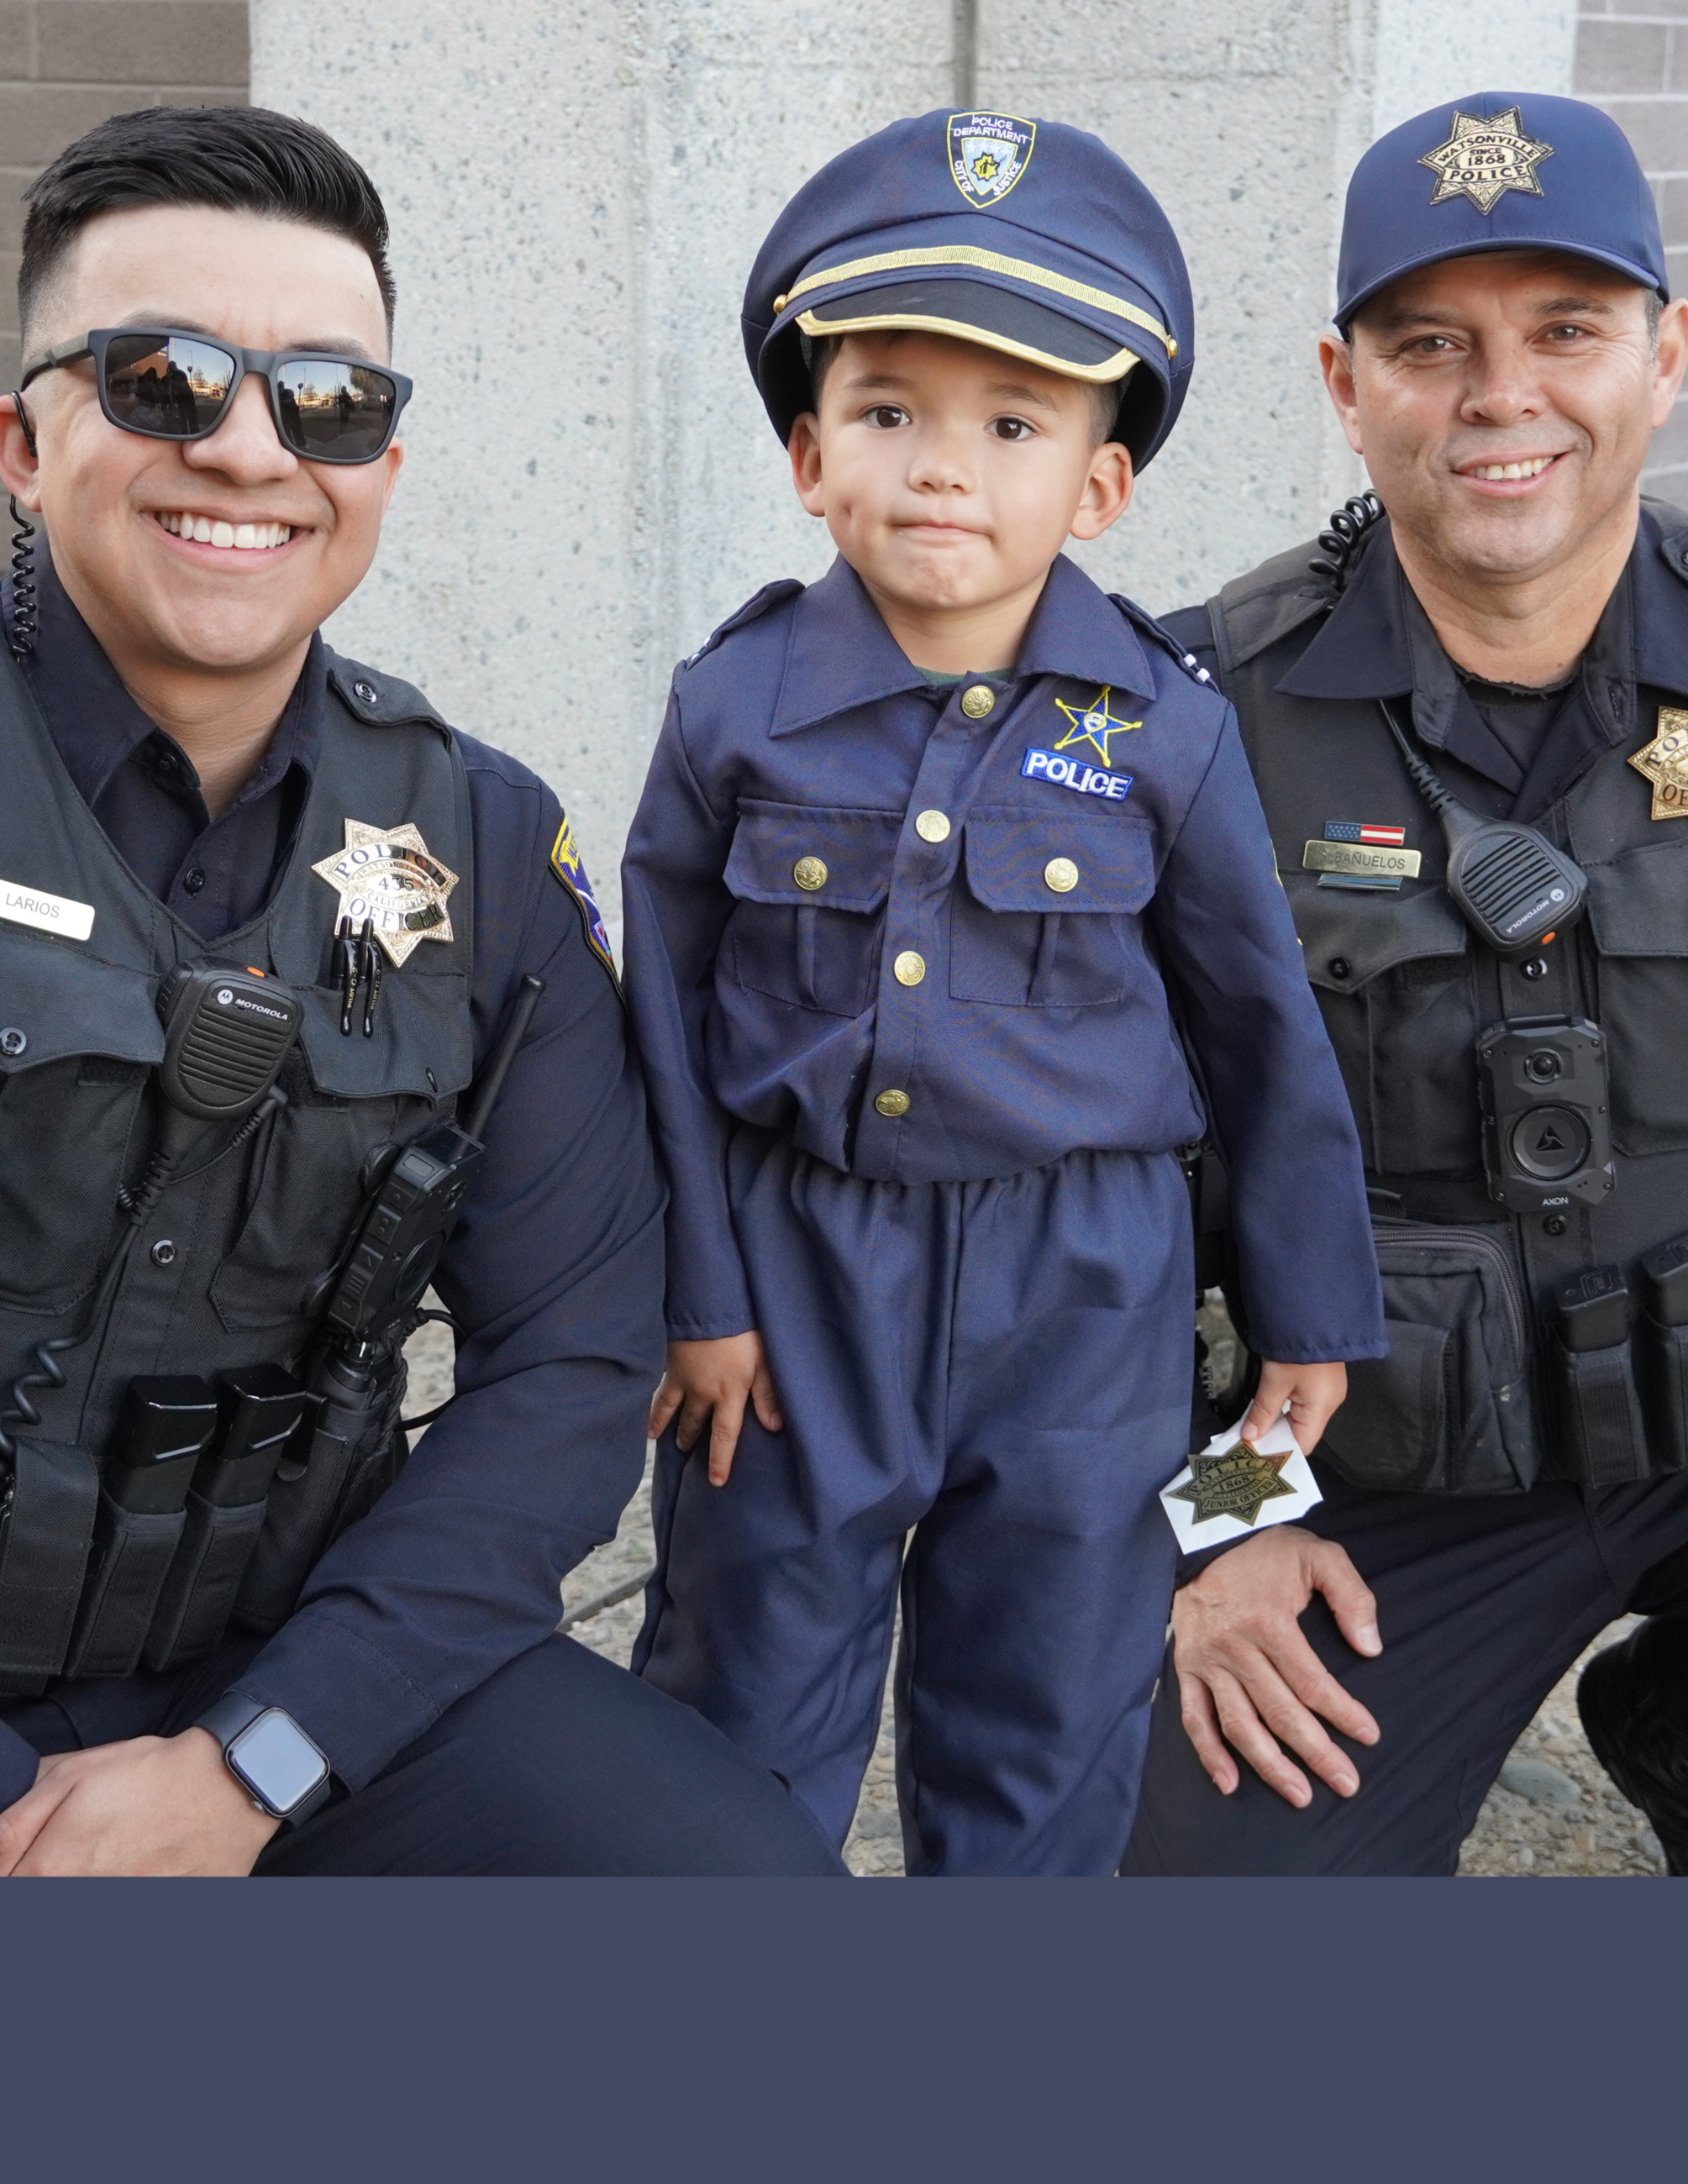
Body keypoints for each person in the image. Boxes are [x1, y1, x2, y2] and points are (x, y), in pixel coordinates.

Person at [0, 104, 846, 1877]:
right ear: (22, 438)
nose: (249, 451)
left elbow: (568, 1361)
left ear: (382, 460)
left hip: (283, 1658)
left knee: (734, 1895)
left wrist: (259, 1762)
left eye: (327, 400)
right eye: (164, 380)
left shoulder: (476, 843)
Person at [620, 108, 1385, 1877]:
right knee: (739, 1704)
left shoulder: (1165, 731)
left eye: (1014, 424)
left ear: (1098, 488)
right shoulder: (731, 708)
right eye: (888, 411)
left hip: (1085, 1291)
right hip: (800, 1276)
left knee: (1044, 1714)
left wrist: (1306, 1316)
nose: (941, 469)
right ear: (808, 454)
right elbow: (657, 1015)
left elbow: (1257, 1031)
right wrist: (698, 1296)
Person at [1122, 92, 1688, 1877]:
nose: (1499, 395)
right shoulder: (1186, 719)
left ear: (1665, 359)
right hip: (1370, 1472)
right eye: (1430, 344)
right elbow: (1088, 1213)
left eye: (1565, 331)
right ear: (1343, 384)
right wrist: (1212, 1527)